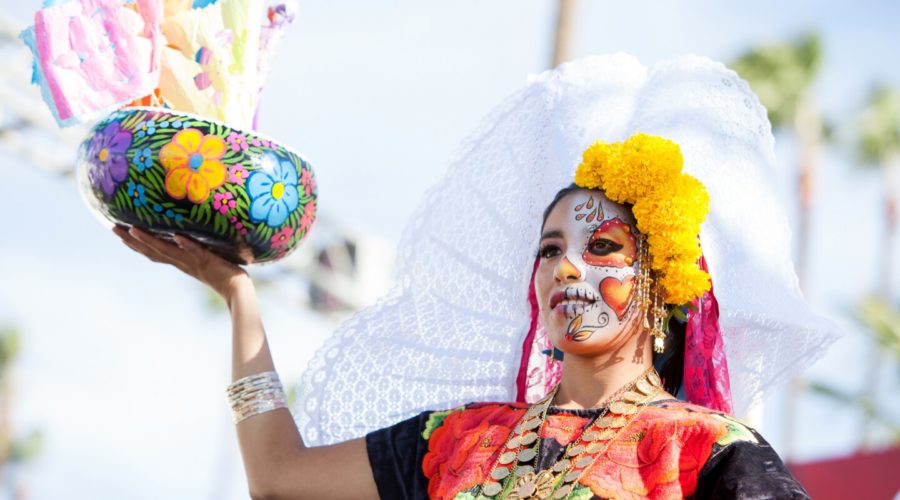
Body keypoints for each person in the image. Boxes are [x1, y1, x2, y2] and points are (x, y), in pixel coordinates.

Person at [113, 54, 835, 499]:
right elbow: (277, 478)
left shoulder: (703, 452)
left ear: (660, 282)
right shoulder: (462, 440)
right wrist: (238, 294)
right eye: (550, 250)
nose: (566, 268)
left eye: (602, 247)